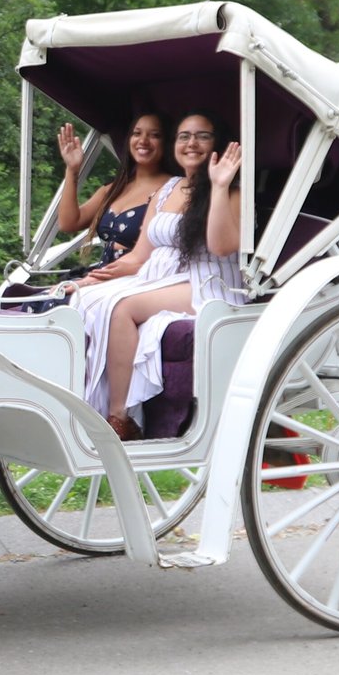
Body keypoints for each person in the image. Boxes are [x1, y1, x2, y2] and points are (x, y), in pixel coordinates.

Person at [64, 113, 244, 438]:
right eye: (184, 136)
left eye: (202, 136)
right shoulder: (169, 188)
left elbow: (220, 246)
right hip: (159, 277)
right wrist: (96, 279)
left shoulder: (233, 193)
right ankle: (83, 404)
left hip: (208, 281)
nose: (191, 143)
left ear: (217, 143)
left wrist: (218, 185)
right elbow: (138, 256)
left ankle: (120, 418)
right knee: (86, 299)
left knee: (123, 308)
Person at [52, 112, 171, 277]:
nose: (143, 140)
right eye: (137, 133)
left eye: (155, 135)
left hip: (138, 280)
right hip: (102, 277)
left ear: (166, 142)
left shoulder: (172, 190)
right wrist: (72, 169)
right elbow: (69, 223)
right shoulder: (114, 189)